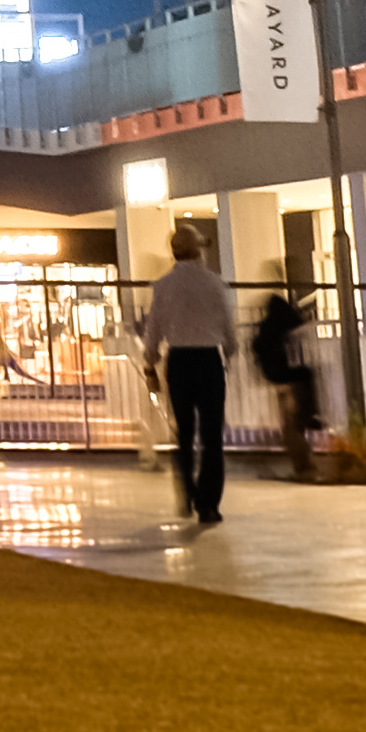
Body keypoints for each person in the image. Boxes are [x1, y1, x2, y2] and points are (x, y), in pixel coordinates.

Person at [143, 219, 234, 527]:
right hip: (209, 360)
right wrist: (230, 354)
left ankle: (187, 491)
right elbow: (227, 325)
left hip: (178, 360)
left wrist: (149, 363)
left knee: (185, 432)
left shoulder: (163, 286)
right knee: (211, 436)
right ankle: (208, 504)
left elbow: (153, 328)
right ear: (197, 251)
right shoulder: (214, 283)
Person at [249, 274, 324, 478]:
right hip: (285, 378)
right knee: (293, 420)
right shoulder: (278, 331)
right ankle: (304, 466)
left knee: (290, 422)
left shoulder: (266, 332)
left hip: (276, 377)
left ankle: (302, 464)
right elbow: (295, 321)